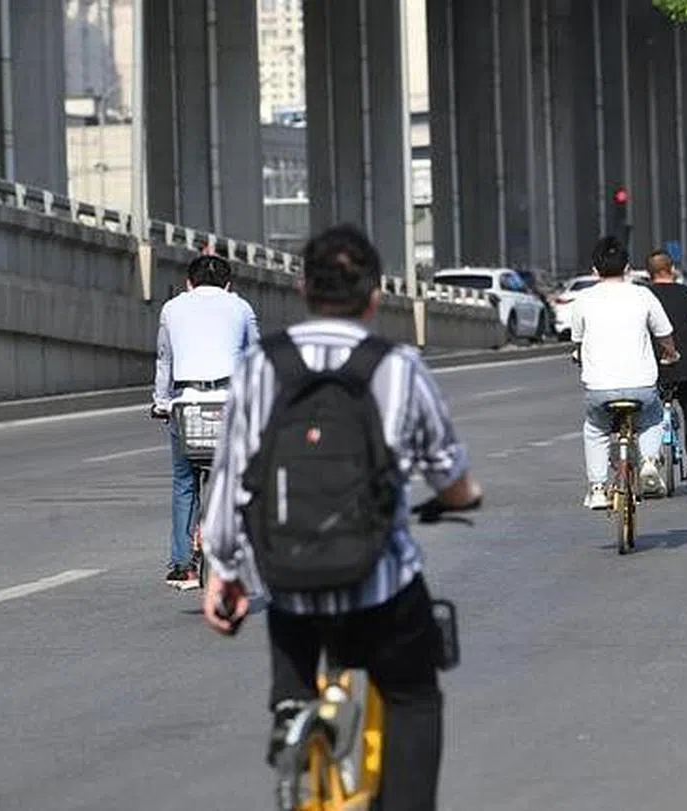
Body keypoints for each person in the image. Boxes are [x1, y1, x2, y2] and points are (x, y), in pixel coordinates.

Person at [200, 224, 483, 810]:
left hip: (289, 586)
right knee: (413, 696)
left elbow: (230, 478)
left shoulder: (259, 367)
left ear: (303, 289)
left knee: (290, 617)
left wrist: (222, 572)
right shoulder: (398, 367)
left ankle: (292, 709)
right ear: (375, 296)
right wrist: (462, 497)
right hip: (380, 590)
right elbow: (448, 472)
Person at [152, 253, 259, 590]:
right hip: (230, 402)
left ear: (188, 283)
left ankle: (182, 563)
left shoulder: (171, 308)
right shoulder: (240, 307)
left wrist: (161, 402)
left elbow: (164, 359)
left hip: (186, 404)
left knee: (184, 481)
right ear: (229, 285)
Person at [571, 236, 679, 508]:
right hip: (641, 386)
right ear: (628, 268)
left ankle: (597, 488)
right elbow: (664, 334)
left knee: (595, 429)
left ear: (594, 270)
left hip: (599, 389)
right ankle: (650, 463)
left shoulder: (583, 299)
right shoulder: (643, 294)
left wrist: (580, 356)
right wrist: (671, 354)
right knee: (653, 419)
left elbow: (577, 342)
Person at [647, 250, 687, 483]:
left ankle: (648, 461)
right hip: (684, 366)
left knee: (646, 415)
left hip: (651, 369)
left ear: (649, 273)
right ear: (671, 269)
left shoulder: (643, 295)